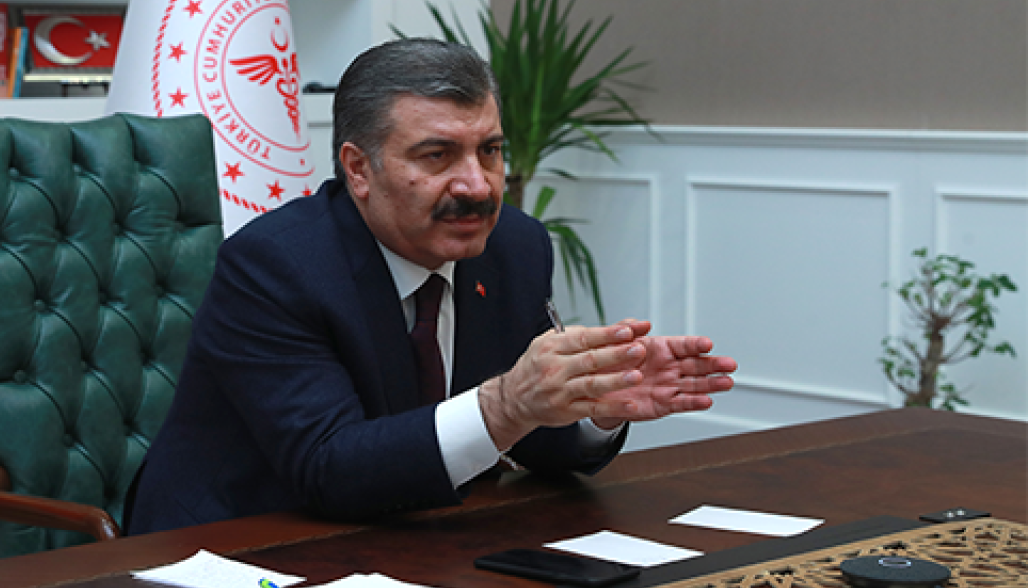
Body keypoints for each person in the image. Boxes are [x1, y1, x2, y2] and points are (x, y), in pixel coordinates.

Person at [125, 38, 736, 534]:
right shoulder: (275, 265)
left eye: (489, 151)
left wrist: (592, 403)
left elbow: (530, 441)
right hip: (240, 551)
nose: (478, 185)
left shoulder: (514, 247)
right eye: (438, 156)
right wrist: (505, 404)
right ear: (359, 169)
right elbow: (327, 467)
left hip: (418, 541)